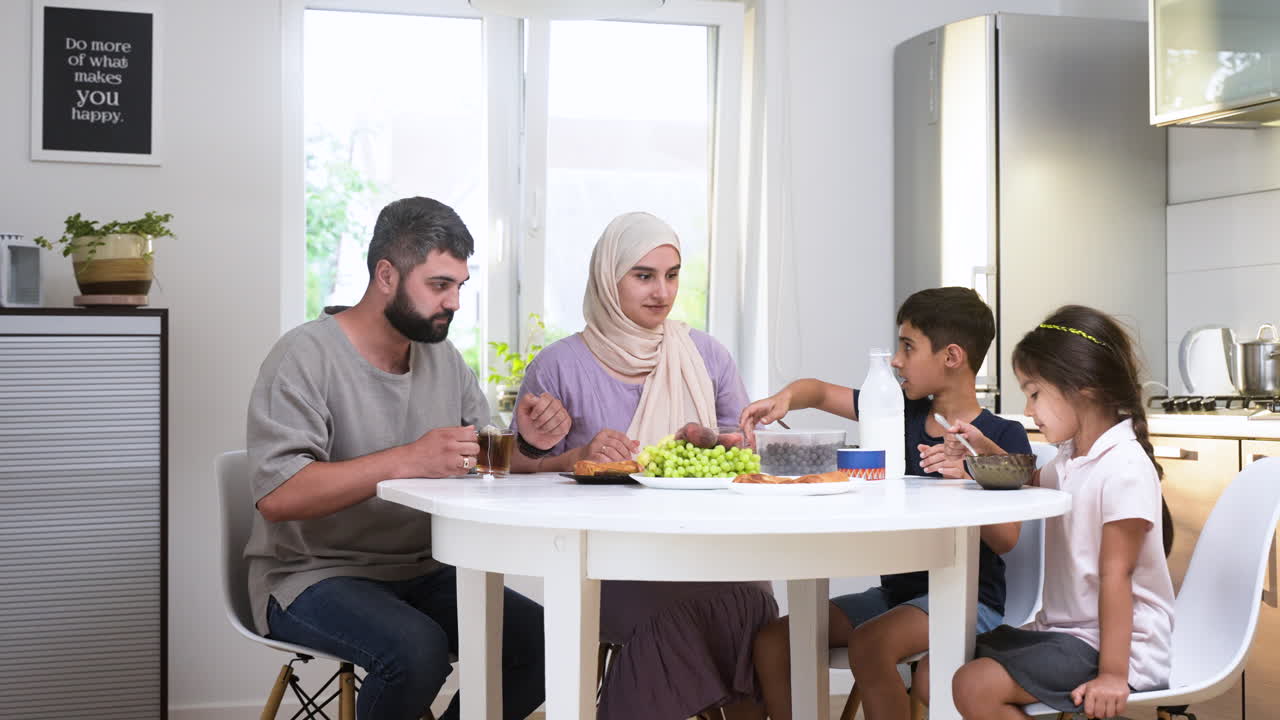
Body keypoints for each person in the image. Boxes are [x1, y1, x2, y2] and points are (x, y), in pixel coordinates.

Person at [245, 197, 571, 720]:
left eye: (460, 287)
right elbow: (279, 497)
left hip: (421, 569)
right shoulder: (303, 357)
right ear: (386, 275)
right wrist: (407, 459)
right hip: (312, 576)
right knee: (417, 652)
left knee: (543, 639)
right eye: (439, 285)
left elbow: (483, 462)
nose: (456, 303)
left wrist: (527, 443)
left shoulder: (443, 359)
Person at [510, 211, 777, 720]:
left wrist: (715, 445)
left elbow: (748, 458)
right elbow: (512, 469)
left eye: (672, 275)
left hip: (714, 553)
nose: (662, 292)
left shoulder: (706, 356)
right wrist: (571, 456)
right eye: (644, 276)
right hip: (610, 565)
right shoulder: (559, 366)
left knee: (753, 604)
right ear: (609, 279)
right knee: (675, 620)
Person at [742, 286, 1031, 720]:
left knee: (871, 643)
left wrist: (971, 475)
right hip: (897, 595)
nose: (897, 360)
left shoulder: (1003, 437)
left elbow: (1007, 539)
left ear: (951, 357)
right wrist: (784, 399)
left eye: (908, 346)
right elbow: (819, 392)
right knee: (773, 642)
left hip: (968, 598)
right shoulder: (897, 413)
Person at [950, 305, 1175, 719]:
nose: (1029, 409)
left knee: (972, 684)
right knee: (942, 662)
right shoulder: (1073, 457)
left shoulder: (1123, 467)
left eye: (1034, 392)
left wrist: (1112, 675)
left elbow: (1117, 575)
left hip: (1117, 646)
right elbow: (1030, 481)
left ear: (1083, 388)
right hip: (1064, 632)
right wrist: (985, 449)